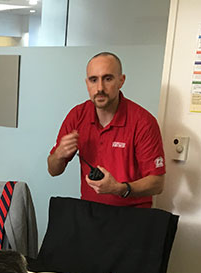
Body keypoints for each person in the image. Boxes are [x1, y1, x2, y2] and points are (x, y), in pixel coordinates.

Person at [48, 52, 165, 208]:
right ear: (87, 83)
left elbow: (157, 183)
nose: (100, 88)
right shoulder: (77, 116)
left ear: (121, 81)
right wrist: (59, 155)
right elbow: (53, 170)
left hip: (132, 216)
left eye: (108, 79)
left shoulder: (143, 122)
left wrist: (119, 189)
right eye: (93, 80)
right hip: (90, 212)